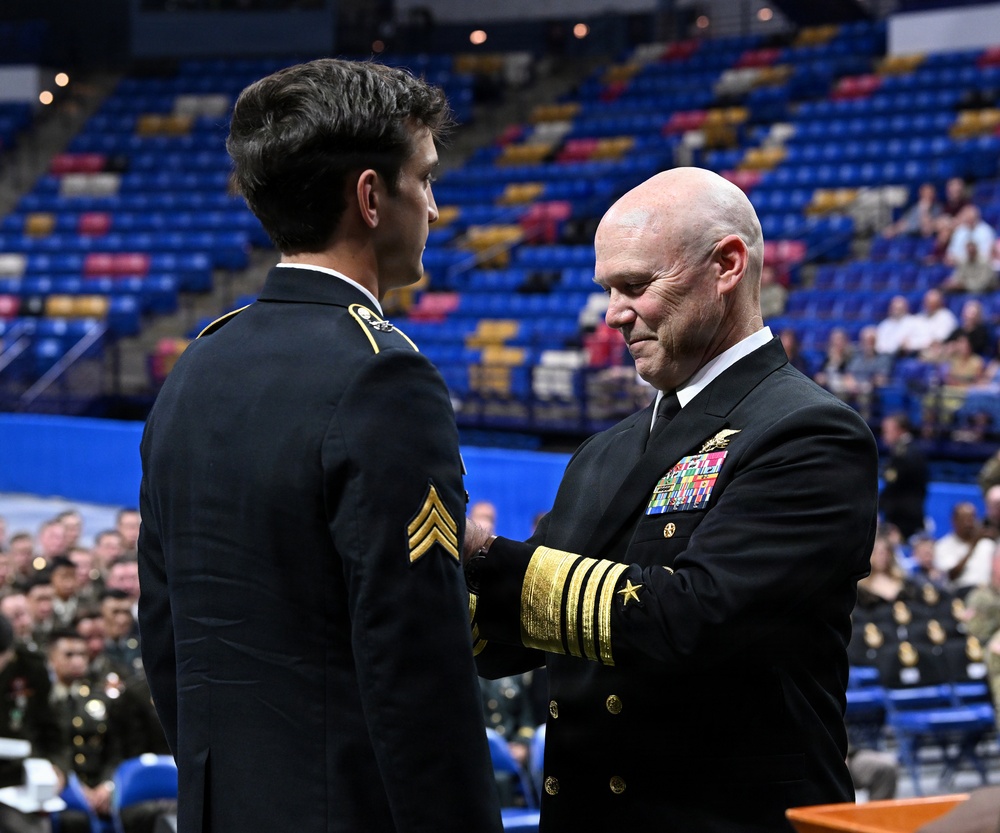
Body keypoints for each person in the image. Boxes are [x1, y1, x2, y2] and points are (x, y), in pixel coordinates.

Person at [137, 58, 502, 833]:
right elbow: (416, 660)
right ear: (371, 197)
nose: (434, 205)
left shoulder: (196, 363)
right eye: (425, 179)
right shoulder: (384, 377)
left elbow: (166, 632)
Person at [463, 167, 879, 832]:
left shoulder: (809, 432)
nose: (613, 313)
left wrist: (484, 555)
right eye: (608, 289)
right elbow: (509, 639)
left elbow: (692, 618)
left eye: (635, 285)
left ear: (727, 266)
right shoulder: (603, 452)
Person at [878, 413, 928, 540]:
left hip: (903, 517)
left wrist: (877, 507)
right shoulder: (909, 450)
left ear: (899, 430)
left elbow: (894, 486)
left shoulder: (904, 453)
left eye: (887, 430)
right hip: (906, 513)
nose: (884, 435)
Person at [934, 502, 997, 595]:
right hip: (959, 594)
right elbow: (951, 576)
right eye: (965, 519)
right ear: (954, 521)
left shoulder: (988, 545)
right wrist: (973, 545)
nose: (969, 524)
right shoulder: (942, 546)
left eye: (972, 518)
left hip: (987, 594)